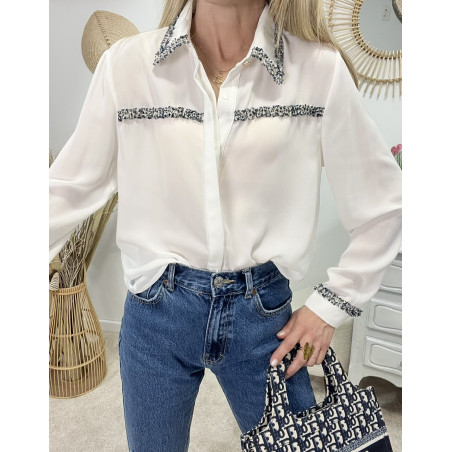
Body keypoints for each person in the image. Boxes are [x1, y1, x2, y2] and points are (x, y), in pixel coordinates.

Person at [49, 0, 402, 450]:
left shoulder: (319, 71)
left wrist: (331, 306)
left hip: (264, 322)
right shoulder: (127, 66)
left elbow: (385, 205)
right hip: (155, 315)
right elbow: (68, 188)